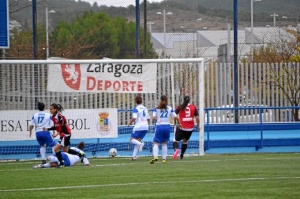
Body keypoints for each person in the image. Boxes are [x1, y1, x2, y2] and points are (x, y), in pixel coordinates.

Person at [44, 103, 83, 168]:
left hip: (66, 134)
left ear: (55, 109)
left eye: (51, 109)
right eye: (49, 109)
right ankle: (80, 154)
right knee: (65, 150)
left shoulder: (60, 116)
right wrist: (47, 129)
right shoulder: (53, 117)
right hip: (63, 134)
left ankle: (61, 163)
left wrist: (57, 133)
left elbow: (63, 127)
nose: (50, 110)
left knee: (56, 148)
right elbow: (56, 127)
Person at [150, 95, 181, 164]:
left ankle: (155, 156)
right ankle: (164, 159)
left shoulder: (156, 108)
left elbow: (154, 117)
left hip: (159, 127)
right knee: (164, 143)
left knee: (156, 143)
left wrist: (156, 118)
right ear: (167, 101)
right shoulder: (170, 108)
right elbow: (176, 117)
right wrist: (180, 124)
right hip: (167, 127)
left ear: (160, 100)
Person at [128, 94, 150, 161]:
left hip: (138, 127)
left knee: (132, 139)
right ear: (142, 101)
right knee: (137, 141)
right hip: (145, 127)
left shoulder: (136, 109)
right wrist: (145, 123)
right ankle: (134, 156)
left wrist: (129, 122)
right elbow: (148, 118)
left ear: (135, 101)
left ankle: (141, 144)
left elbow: (134, 117)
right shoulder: (145, 108)